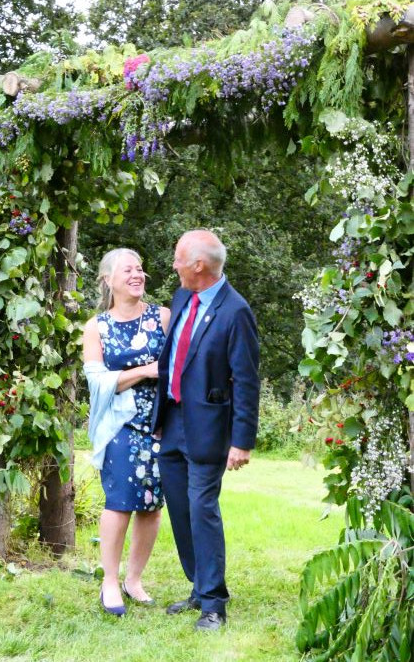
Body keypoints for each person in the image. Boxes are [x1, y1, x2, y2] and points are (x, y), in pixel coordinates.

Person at [152, 229, 260, 631]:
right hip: (173, 421)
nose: (174, 265)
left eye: (179, 258)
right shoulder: (182, 298)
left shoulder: (236, 311)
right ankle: (198, 586)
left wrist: (242, 441)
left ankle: (214, 604)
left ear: (199, 265)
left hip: (210, 428)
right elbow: (172, 359)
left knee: (202, 509)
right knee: (179, 508)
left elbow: (247, 380)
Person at [83, 248, 170, 617]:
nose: (137, 274)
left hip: (162, 426)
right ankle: (109, 582)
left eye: (140, 268)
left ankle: (134, 579)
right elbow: (97, 379)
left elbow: (180, 364)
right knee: (119, 503)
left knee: (151, 505)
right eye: (128, 270)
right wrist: (146, 371)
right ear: (108, 280)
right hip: (120, 426)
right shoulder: (96, 326)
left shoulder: (163, 316)